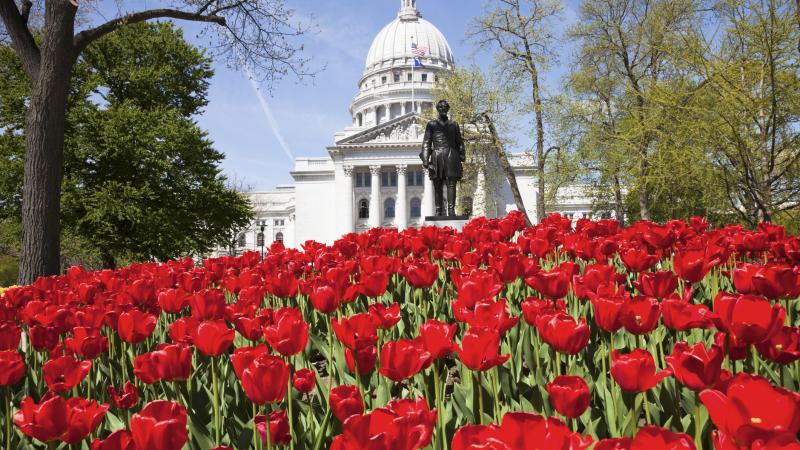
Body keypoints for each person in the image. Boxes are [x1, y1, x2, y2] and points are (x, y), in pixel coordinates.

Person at [420, 100, 466, 216]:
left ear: (448, 109)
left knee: (452, 184)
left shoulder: (454, 125)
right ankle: (438, 210)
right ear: (438, 109)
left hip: (451, 155)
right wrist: (426, 161)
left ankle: (451, 210)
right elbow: (426, 142)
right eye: (441, 107)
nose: (443, 109)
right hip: (437, 155)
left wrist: (462, 154)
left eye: (445, 107)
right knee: (438, 185)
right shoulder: (432, 124)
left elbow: (459, 141)